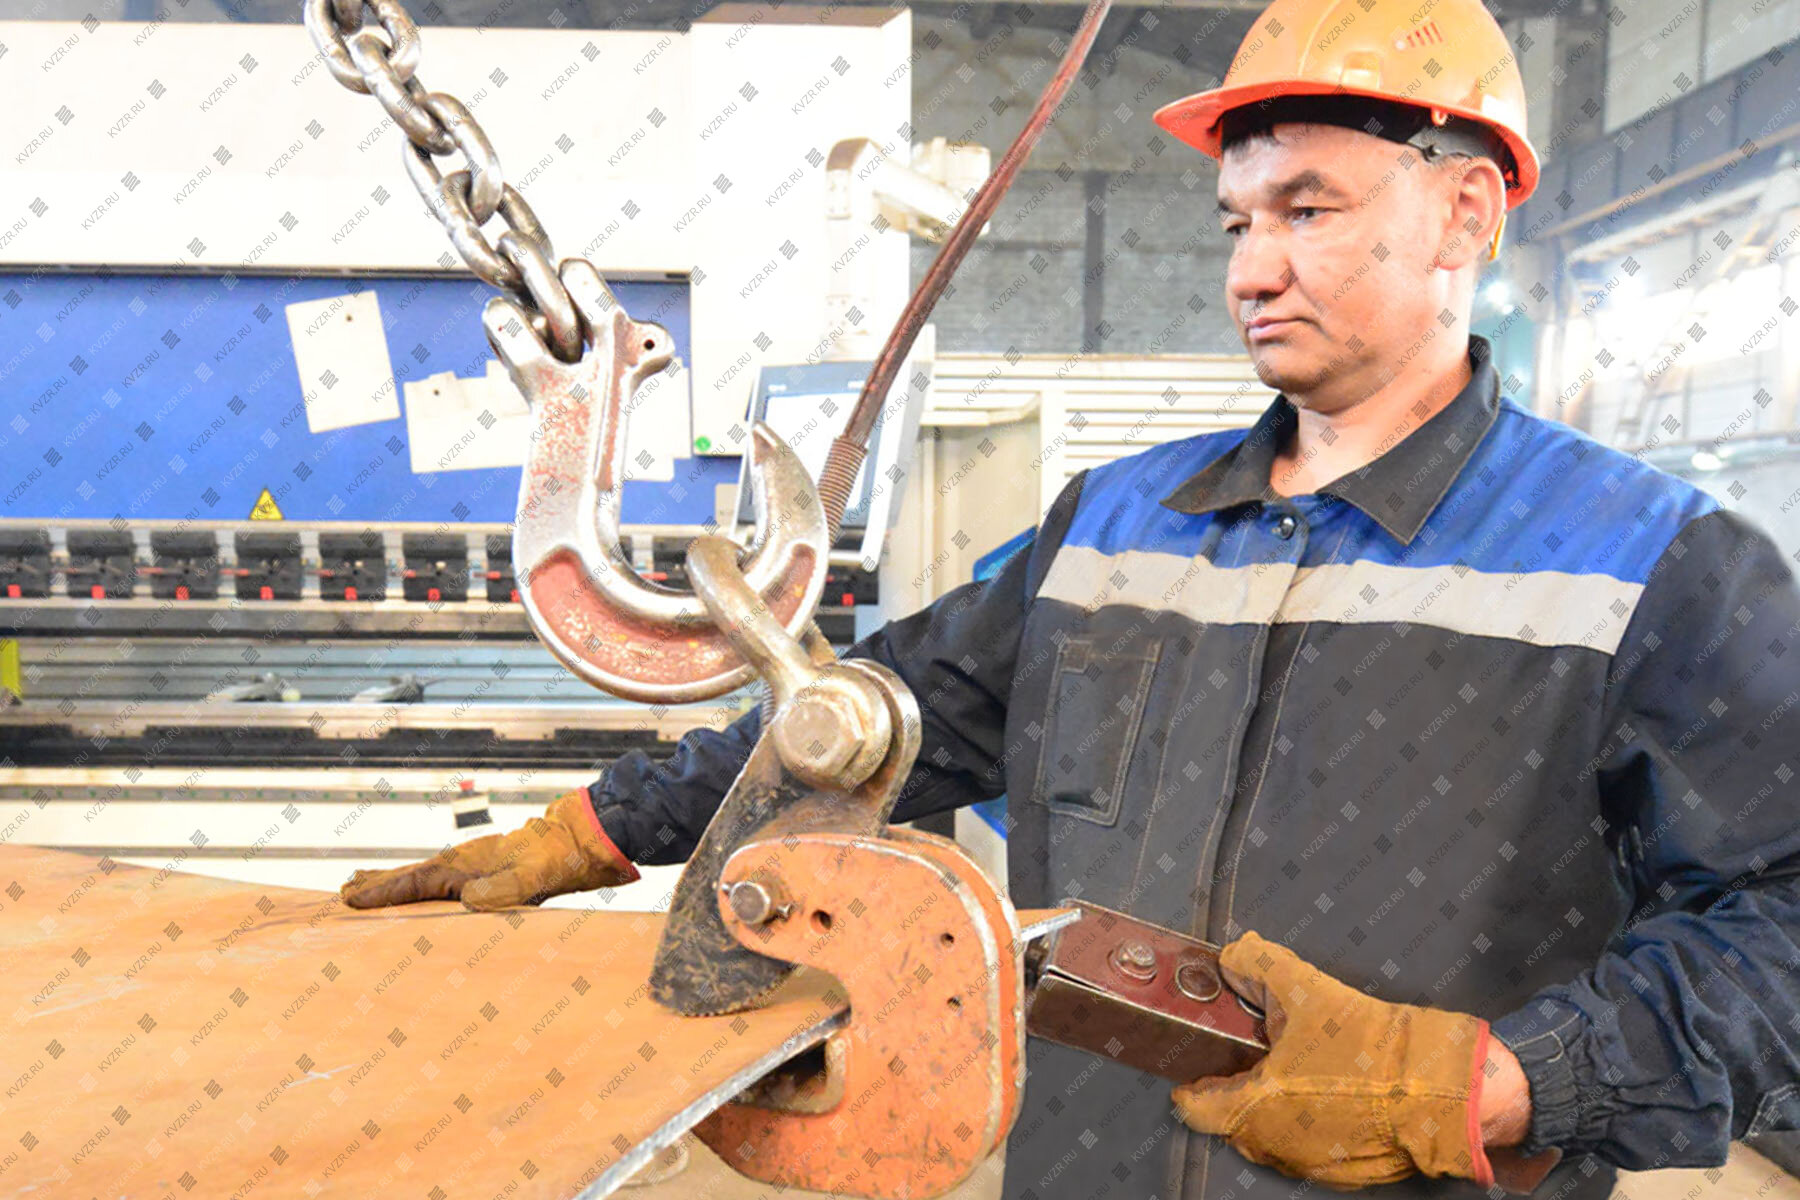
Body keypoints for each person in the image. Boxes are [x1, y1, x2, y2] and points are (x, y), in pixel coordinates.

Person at [342, 0, 1800, 1194]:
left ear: (1466, 212)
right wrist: (600, 829)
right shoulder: (1115, 523)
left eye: (1308, 209)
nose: (1254, 269)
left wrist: (1497, 1083)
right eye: (1236, 222)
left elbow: (1779, 919)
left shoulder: (1657, 562)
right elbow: (873, 719)